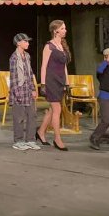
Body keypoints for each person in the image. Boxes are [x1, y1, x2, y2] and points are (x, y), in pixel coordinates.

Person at [36, 20, 71, 151]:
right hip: (51, 81)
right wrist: (43, 84)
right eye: (62, 28)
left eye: (65, 28)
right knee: (57, 109)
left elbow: (64, 66)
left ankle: (40, 132)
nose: (65, 30)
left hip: (60, 81)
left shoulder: (61, 45)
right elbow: (43, 66)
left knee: (52, 109)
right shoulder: (49, 46)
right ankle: (57, 139)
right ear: (56, 31)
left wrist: (67, 82)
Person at [9, 33, 39, 151]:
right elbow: (13, 77)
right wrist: (17, 93)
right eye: (25, 41)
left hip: (28, 90)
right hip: (19, 90)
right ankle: (18, 141)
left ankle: (31, 140)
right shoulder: (14, 58)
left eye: (28, 41)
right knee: (19, 117)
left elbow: (30, 74)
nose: (27, 43)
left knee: (32, 115)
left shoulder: (27, 56)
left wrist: (33, 89)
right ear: (18, 43)